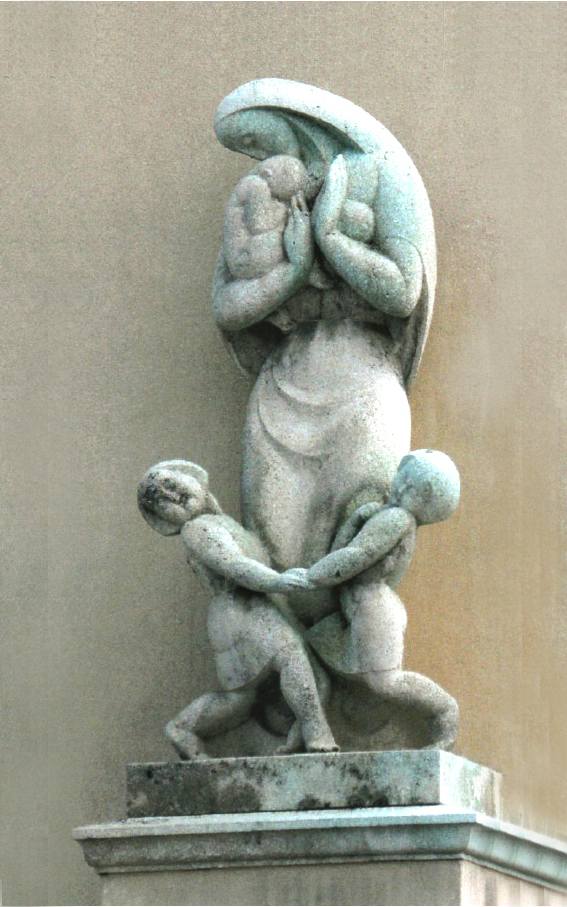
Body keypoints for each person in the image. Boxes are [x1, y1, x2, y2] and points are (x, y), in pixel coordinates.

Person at [212, 81, 436, 628]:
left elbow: (403, 291)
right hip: (283, 387)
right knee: (274, 555)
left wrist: (332, 238)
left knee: (359, 542)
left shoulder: (381, 172)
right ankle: (284, 667)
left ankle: (359, 662)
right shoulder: (258, 198)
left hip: (363, 385)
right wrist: (290, 274)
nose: (255, 153)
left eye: (252, 136)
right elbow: (228, 307)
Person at [138, 460, 337, 758]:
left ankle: (184, 728)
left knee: (241, 698)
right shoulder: (197, 528)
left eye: (170, 484)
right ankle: (316, 733)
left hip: (251, 605)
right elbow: (232, 564)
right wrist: (276, 581)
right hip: (240, 608)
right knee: (289, 658)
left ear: (193, 477)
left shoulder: (220, 521)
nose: (172, 496)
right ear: (162, 520)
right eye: (161, 501)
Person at [305, 450, 460, 750]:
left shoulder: (397, 519)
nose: (399, 486)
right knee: (312, 650)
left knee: (387, 682)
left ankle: (444, 711)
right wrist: (355, 521)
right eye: (402, 478)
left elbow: (356, 556)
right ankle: (309, 724)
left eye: (410, 486)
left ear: (425, 496)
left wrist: (312, 576)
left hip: (374, 611)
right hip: (363, 610)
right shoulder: (395, 519)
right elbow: (345, 553)